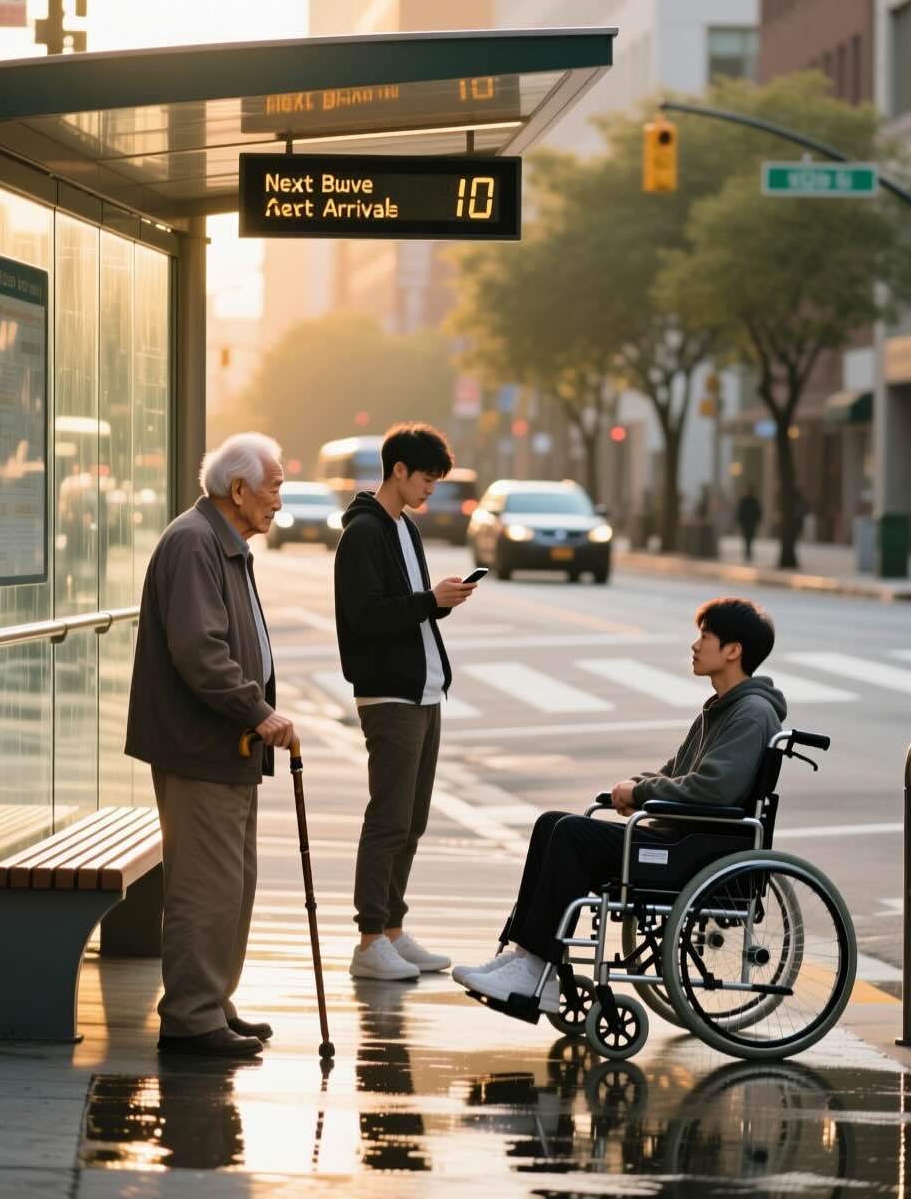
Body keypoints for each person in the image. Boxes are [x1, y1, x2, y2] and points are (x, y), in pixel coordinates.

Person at [455, 597, 786, 1013]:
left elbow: (714, 790)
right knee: (551, 823)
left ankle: (535, 965)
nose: (695, 645)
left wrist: (643, 795)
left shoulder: (751, 714)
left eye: (705, 637)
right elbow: (677, 771)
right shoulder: (722, 708)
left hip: (694, 852)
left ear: (733, 650)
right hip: (680, 838)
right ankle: (526, 957)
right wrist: (638, 787)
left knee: (573, 834)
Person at [126, 433, 297, 1060]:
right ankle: (192, 1017)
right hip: (203, 745)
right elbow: (200, 651)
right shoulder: (196, 543)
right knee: (206, 884)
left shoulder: (220, 542)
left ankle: (213, 1000)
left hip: (228, 747)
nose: (279, 499)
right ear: (238, 490)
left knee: (232, 881)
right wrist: (258, 711)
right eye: (274, 486)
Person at [335, 422, 478, 982]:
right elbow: (364, 615)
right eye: (426, 479)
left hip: (424, 690)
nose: (430, 491)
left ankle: (393, 929)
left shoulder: (404, 531)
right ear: (398, 470)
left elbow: (404, 608)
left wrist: (439, 602)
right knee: (389, 818)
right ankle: (370, 939)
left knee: (413, 820)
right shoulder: (364, 534)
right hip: (388, 693)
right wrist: (427, 600)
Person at [735, 489, 762, 561]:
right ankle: (748, 551)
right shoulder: (753, 501)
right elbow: (758, 511)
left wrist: (739, 520)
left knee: (747, 537)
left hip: (747, 522)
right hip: (750, 522)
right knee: (749, 537)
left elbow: (740, 511)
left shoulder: (746, 501)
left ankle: (748, 551)